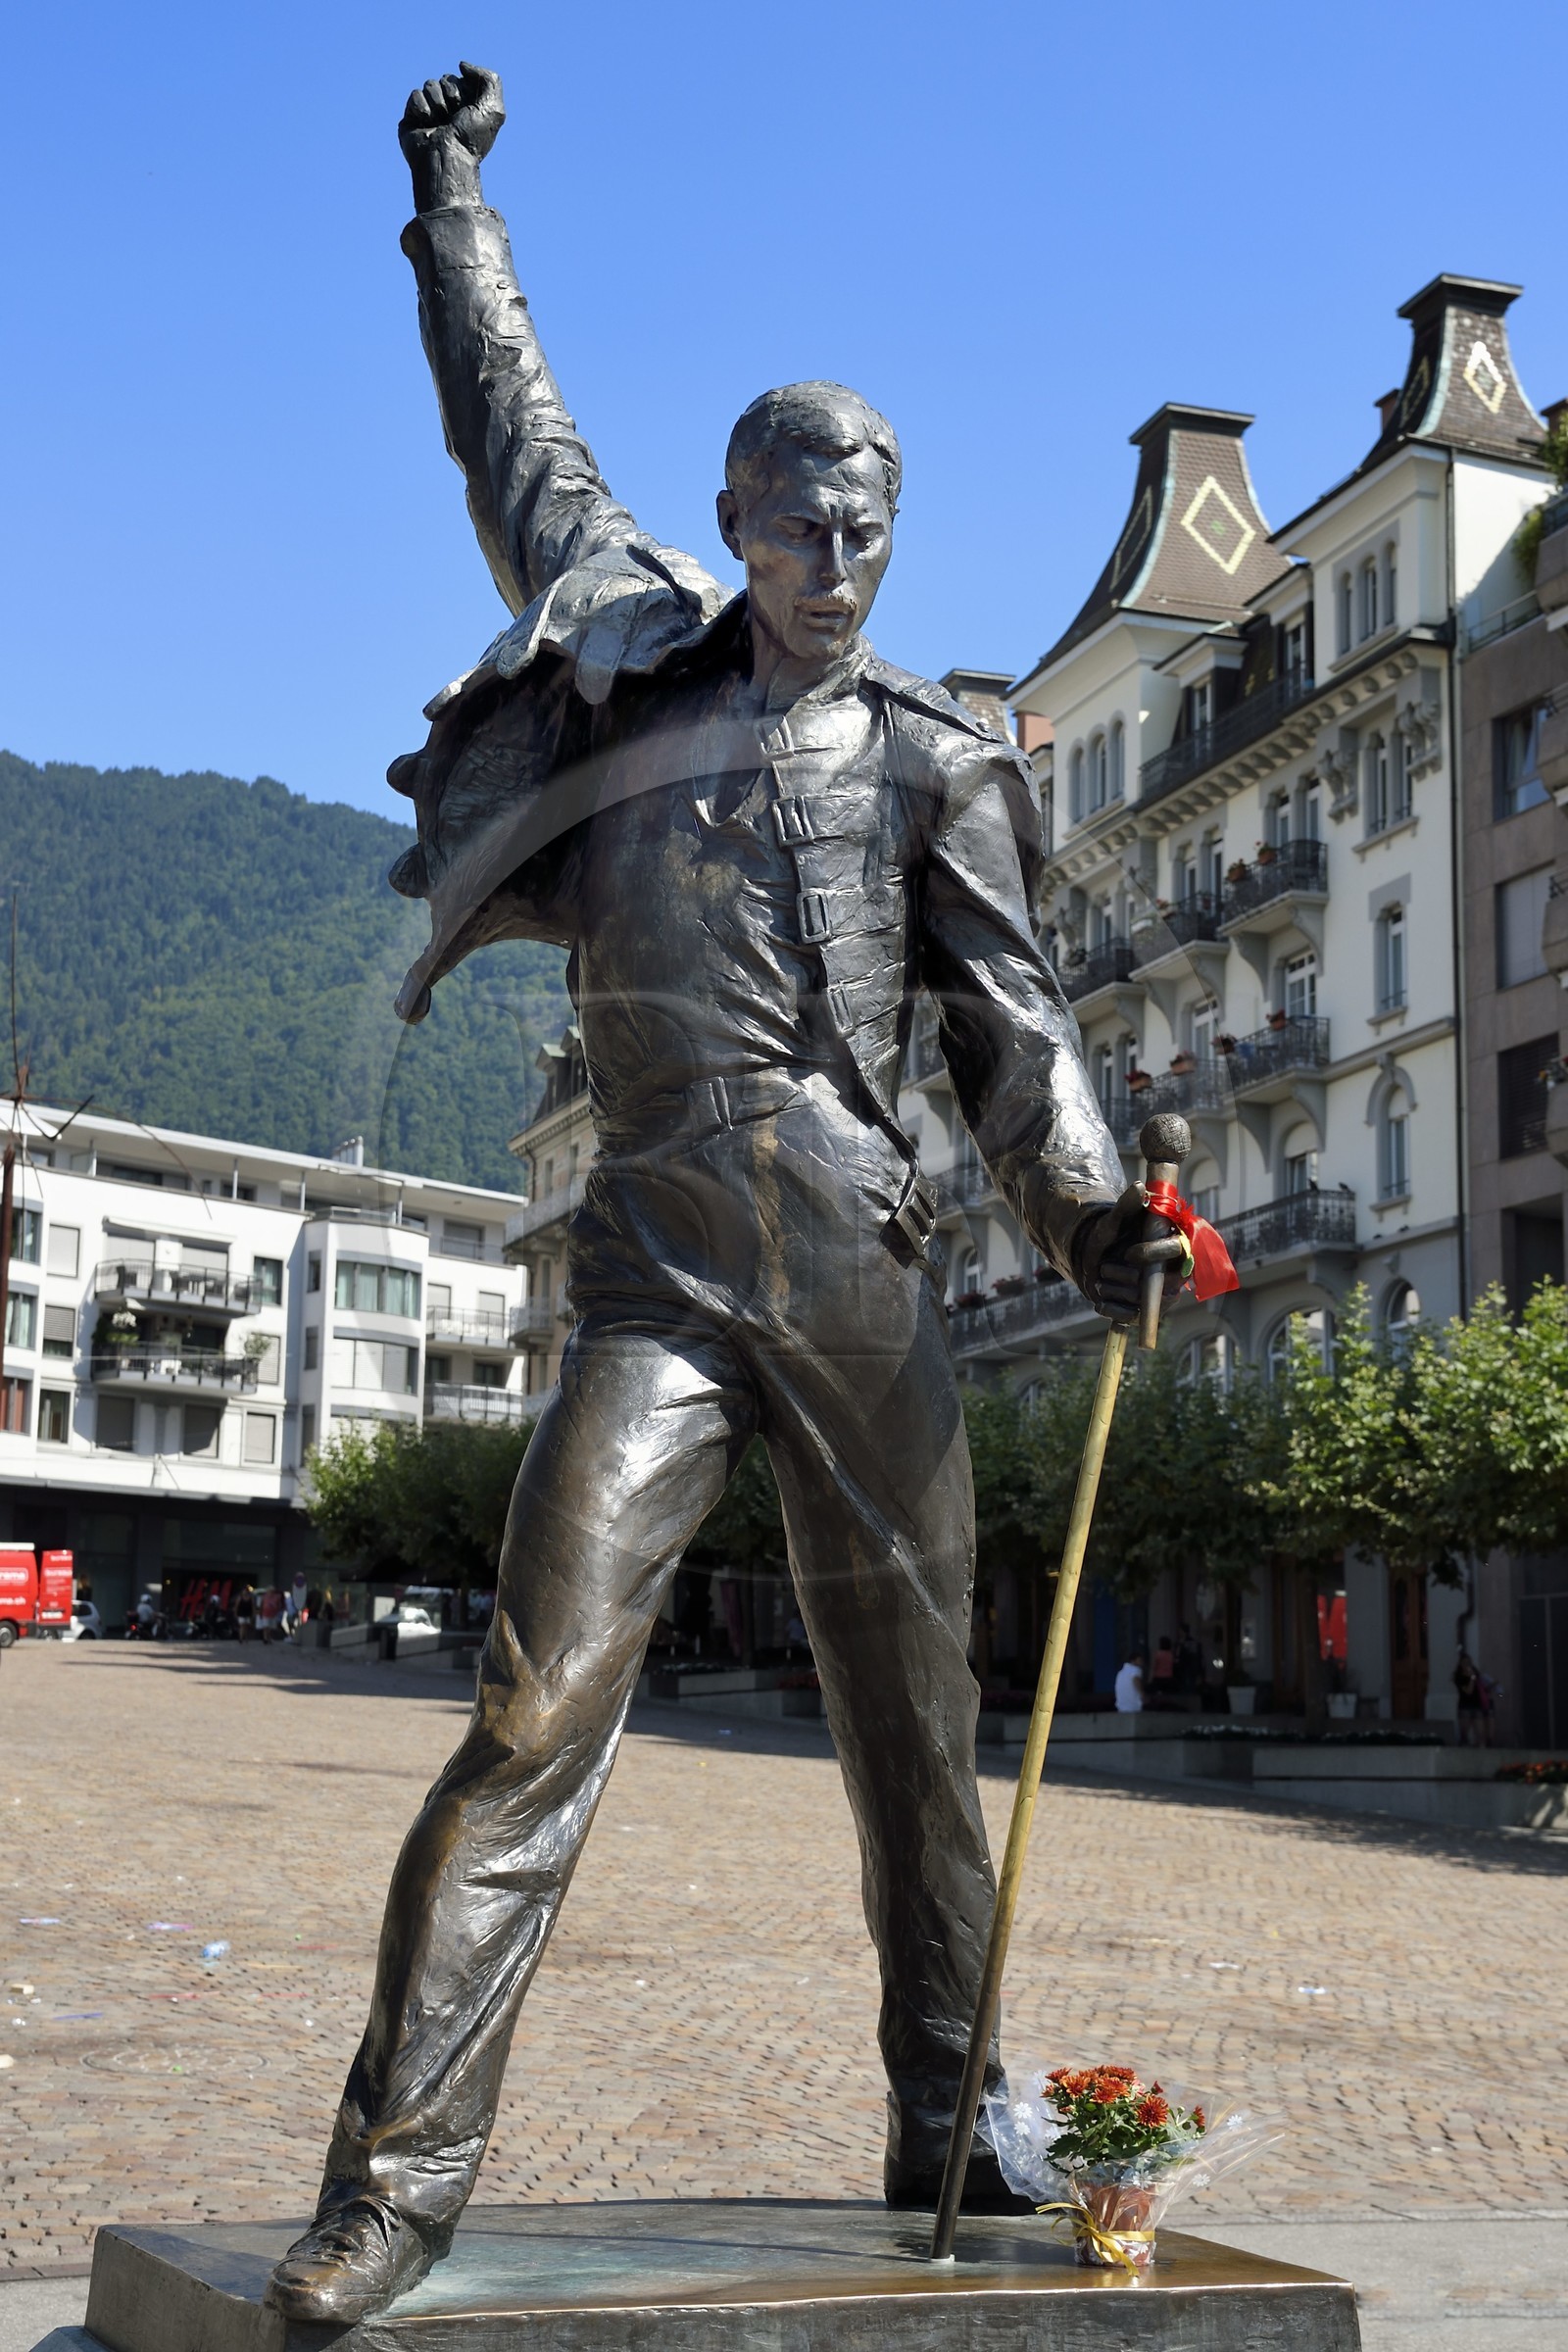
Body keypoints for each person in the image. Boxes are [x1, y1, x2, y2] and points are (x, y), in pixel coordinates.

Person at [267, 63, 1183, 2328]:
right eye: (800, 520)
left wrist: (1091, 1221)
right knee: (532, 1699)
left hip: (862, 1266)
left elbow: (1017, 1031)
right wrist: (448, 199)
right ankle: (389, 2183)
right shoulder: (620, 625)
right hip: (660, 1260)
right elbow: (509, 419)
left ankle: (945, 2107)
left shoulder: (937, 762)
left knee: (915, 1731)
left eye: (870, 522)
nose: (838, 557)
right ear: (730, 515)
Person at [1454, 1648, 1483, 1745]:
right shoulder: (1459, 1677)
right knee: (1464, 1734)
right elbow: (1468, 1691)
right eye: (1465, 1663)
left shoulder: (1475, 1674)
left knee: (1479, 1733)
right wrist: (1471, 1678)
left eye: (1469, 1662)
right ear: (1461, 1664)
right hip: (1465, 1706)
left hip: (1476, 1704)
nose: (1467, 1665)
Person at [1147, 1635, 1176, 1709]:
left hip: (1158, 1677)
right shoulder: (1171, 1654)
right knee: (1167, 1694)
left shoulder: (1158, 1654)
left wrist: (1150, 1678)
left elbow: (1154, 1666)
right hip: (1169, 1677)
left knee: (1157, 1694)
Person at [1114, 1648, 1146, 1714]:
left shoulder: (1120, 1673)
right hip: (1134, 1706)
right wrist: (1142, 1694)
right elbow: (1136, 1680)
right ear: (1133, 1661)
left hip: (1121, 1707)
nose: (1141, 1663)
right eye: (1139, 1660)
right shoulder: (1136, 1670)